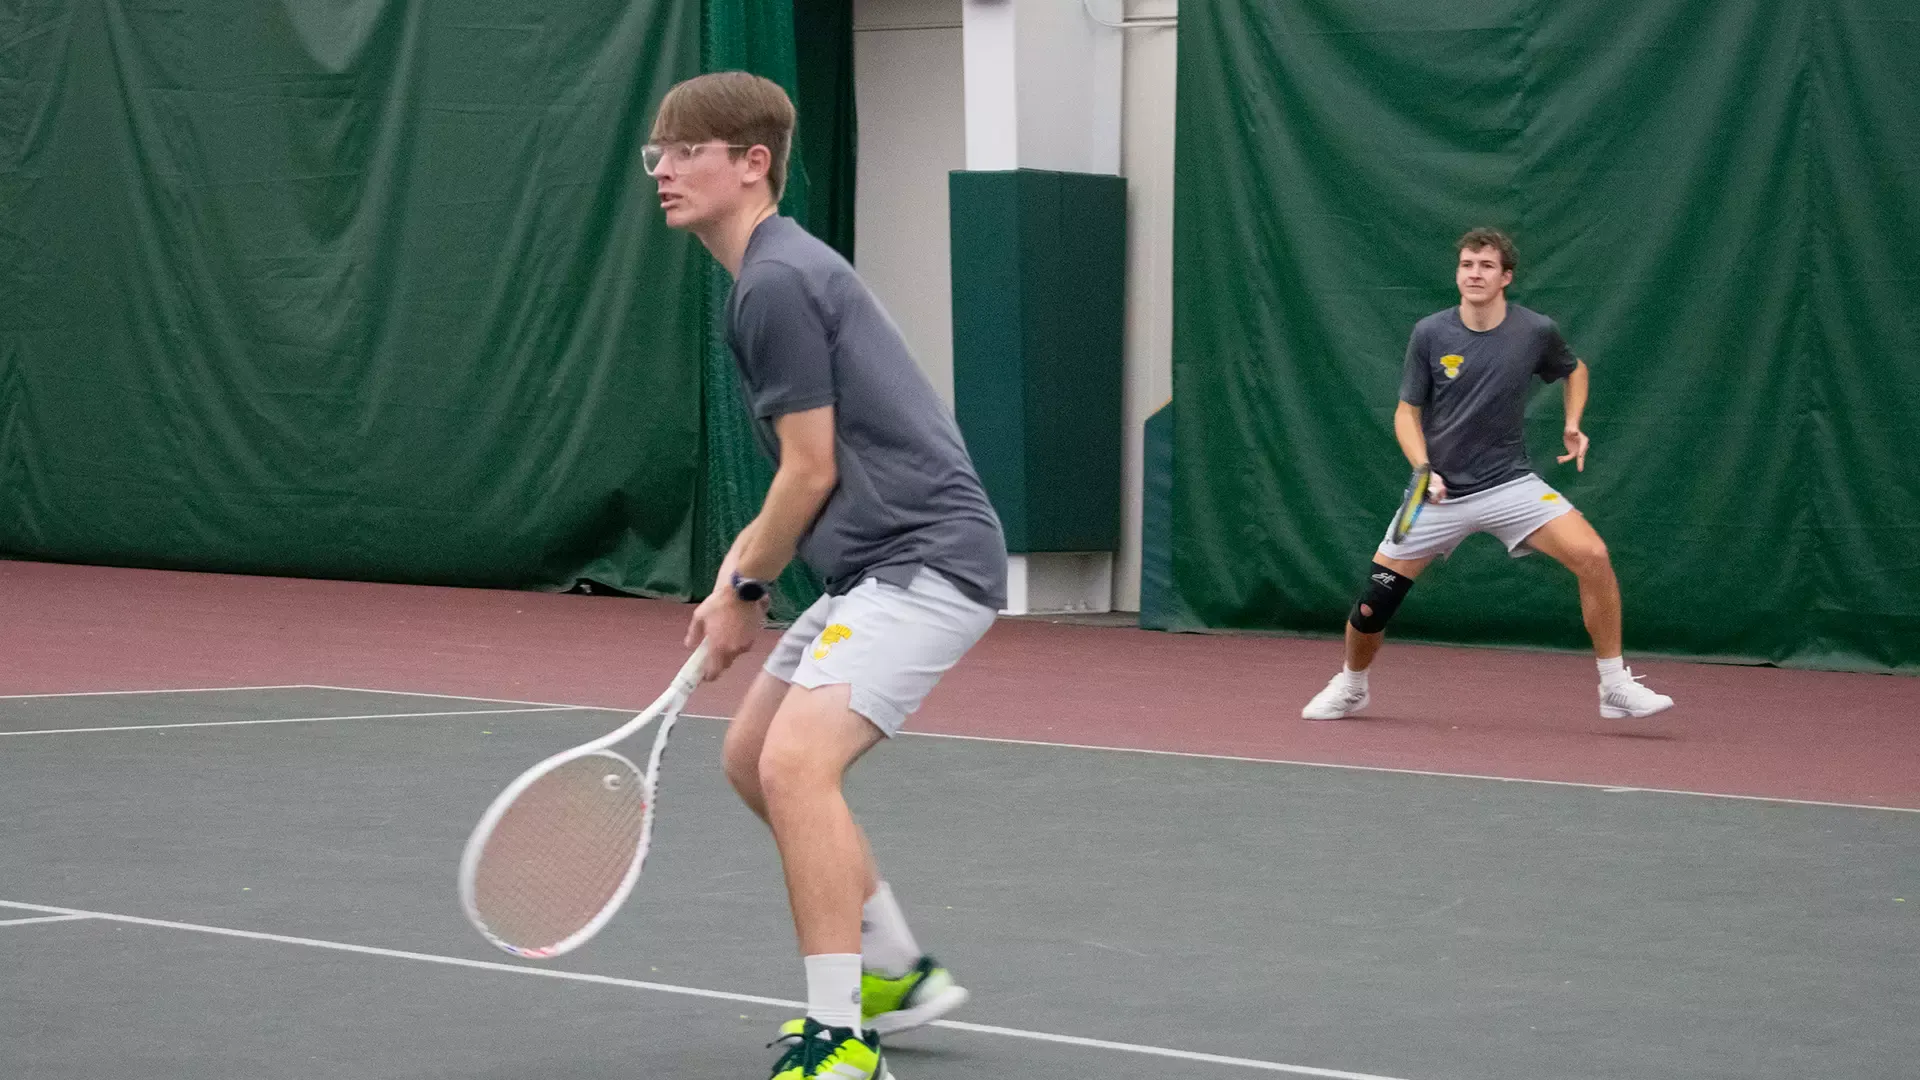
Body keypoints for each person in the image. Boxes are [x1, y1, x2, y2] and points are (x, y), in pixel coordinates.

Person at [646, 72, 1008, 1080]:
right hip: (873, 569)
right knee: (752, 756)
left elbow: (810, 469)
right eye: (658, 155)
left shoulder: (776, 281)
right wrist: (741, 581)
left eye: (687, 152)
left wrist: (744, 592)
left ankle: (842, 1035)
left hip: (927, 560)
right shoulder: (769, 277)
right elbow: (809, 476)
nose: (665, 171)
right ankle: (892, 966)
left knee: (797, 765)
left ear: (752, 163)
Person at [1303, 228, 1674, 722]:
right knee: (1375, 603)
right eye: (1466, 265)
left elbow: (1574, 369)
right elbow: (1405, 413)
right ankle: (1351, 686)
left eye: (1485, 266)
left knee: (1593, 555)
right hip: (1439, 494)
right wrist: (1423, 467)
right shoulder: (1430, 333)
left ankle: (1614, 685)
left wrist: (1571, 423)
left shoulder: (1535, 330)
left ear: (1506, 277)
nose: (1474, 274)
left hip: (1510, 485)